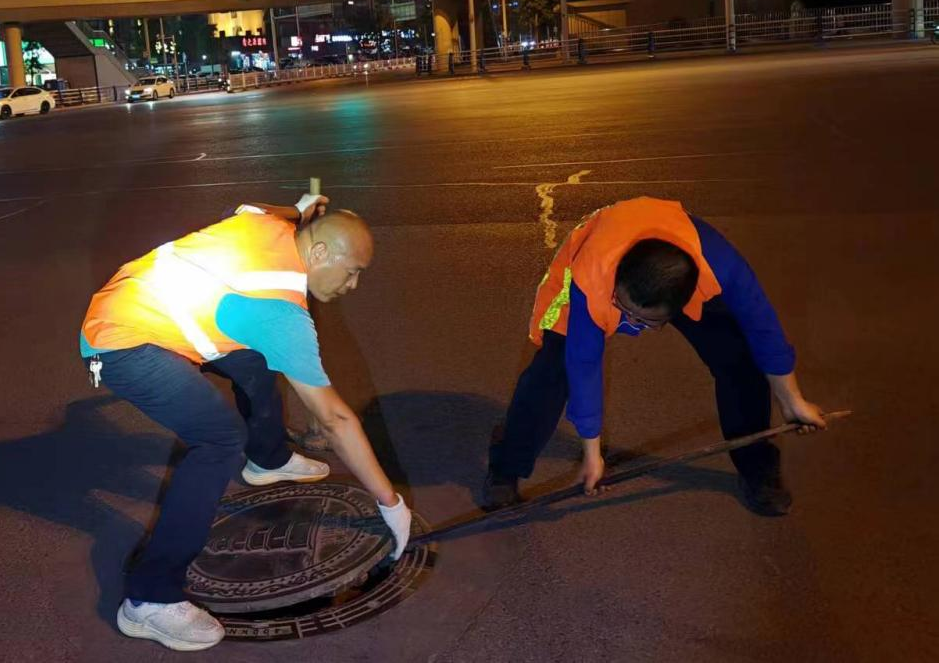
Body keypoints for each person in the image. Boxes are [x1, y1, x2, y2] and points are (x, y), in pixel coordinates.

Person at [80, 197, 411, 652]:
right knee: (218, 440)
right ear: (318, 252)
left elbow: (248, 208)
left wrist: (301, 210)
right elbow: (334, 419)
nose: (353, 284)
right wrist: (391, 503)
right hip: (120, 344)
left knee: (255, 361)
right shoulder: (279, 313)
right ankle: (149, 600)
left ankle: (268, 459)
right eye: (352, 271)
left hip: (136, 300)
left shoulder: (270, 225)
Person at [485, 197, 827, 517]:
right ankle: (506, 466)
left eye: (643, 321)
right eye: (624, 310)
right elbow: (584, 363)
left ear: (681, 308)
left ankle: (757, 467)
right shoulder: (592, 276)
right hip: (599, 273)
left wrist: (792, 401)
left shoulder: (723, 268)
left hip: (676, 274)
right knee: (552, 371)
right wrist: (591, 453)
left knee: (740, 362)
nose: (627, 322)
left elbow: (766, 333)